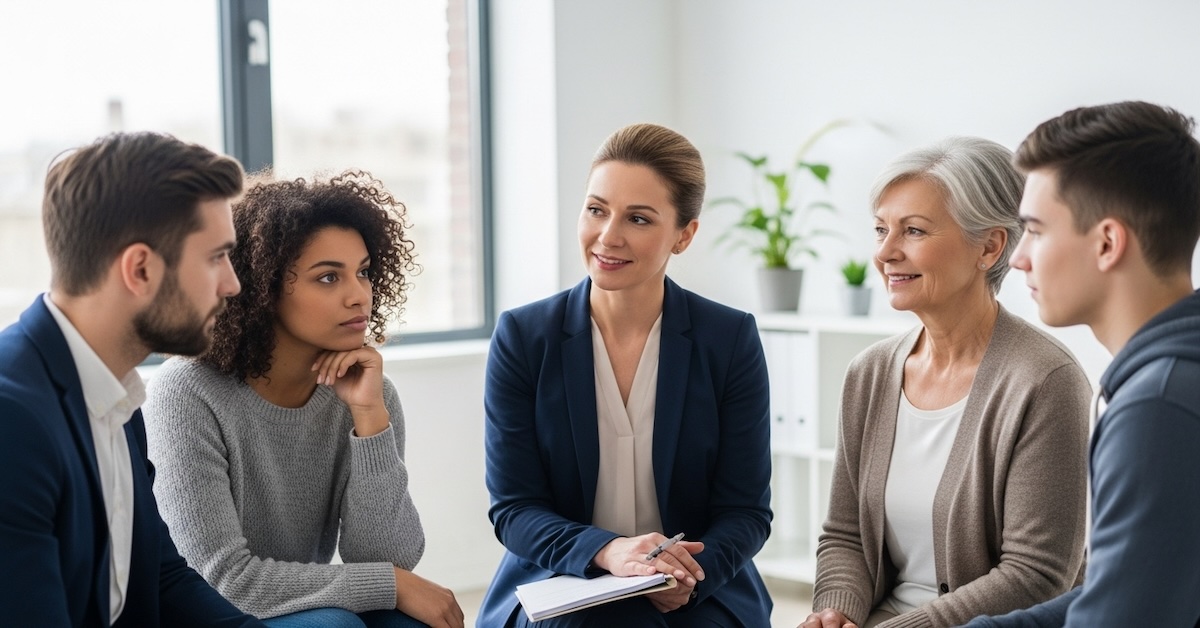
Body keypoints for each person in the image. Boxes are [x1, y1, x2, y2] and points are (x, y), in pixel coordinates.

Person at [477, 123, 773, 627]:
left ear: (684, 234)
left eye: (638, 218)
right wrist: (608, 552)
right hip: (564, 577)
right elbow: (515, 508)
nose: (608, 236)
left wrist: (687, 576)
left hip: (698, 584)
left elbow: (745, 510)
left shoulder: (729, 339)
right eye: (596, 209)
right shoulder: (524, 338)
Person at [142, 172, 463, 628]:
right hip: (208, 615)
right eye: (328, 277)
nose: (359, 295)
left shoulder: (368, 393)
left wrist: (369, 418)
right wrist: (391, 584)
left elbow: (387, 557)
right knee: (338, 625)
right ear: (263, 288)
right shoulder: (186, 392)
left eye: (364, 272)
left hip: (292, 601)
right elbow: (220, 579)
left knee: (407, 624)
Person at [802, 137, 1093, 628]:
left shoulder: (1046, 381)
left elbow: (1035, 575)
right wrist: (835, 613)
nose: (886, 253)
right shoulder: (869, 374)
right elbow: (845, 535)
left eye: (913, 231)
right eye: (880, 230)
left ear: (991, 246)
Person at [0, 132, 263, 627]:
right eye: (215, 257)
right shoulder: (12, 420)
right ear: (140, 269)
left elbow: (163, 579)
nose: (232, 284)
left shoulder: (116, 393)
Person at [963, 102, 1200, 626]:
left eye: (1037, 230)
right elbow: (1120, 590)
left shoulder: (1158, 408)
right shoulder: (1170, 381)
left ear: (1108, 242)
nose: (1019, 256)